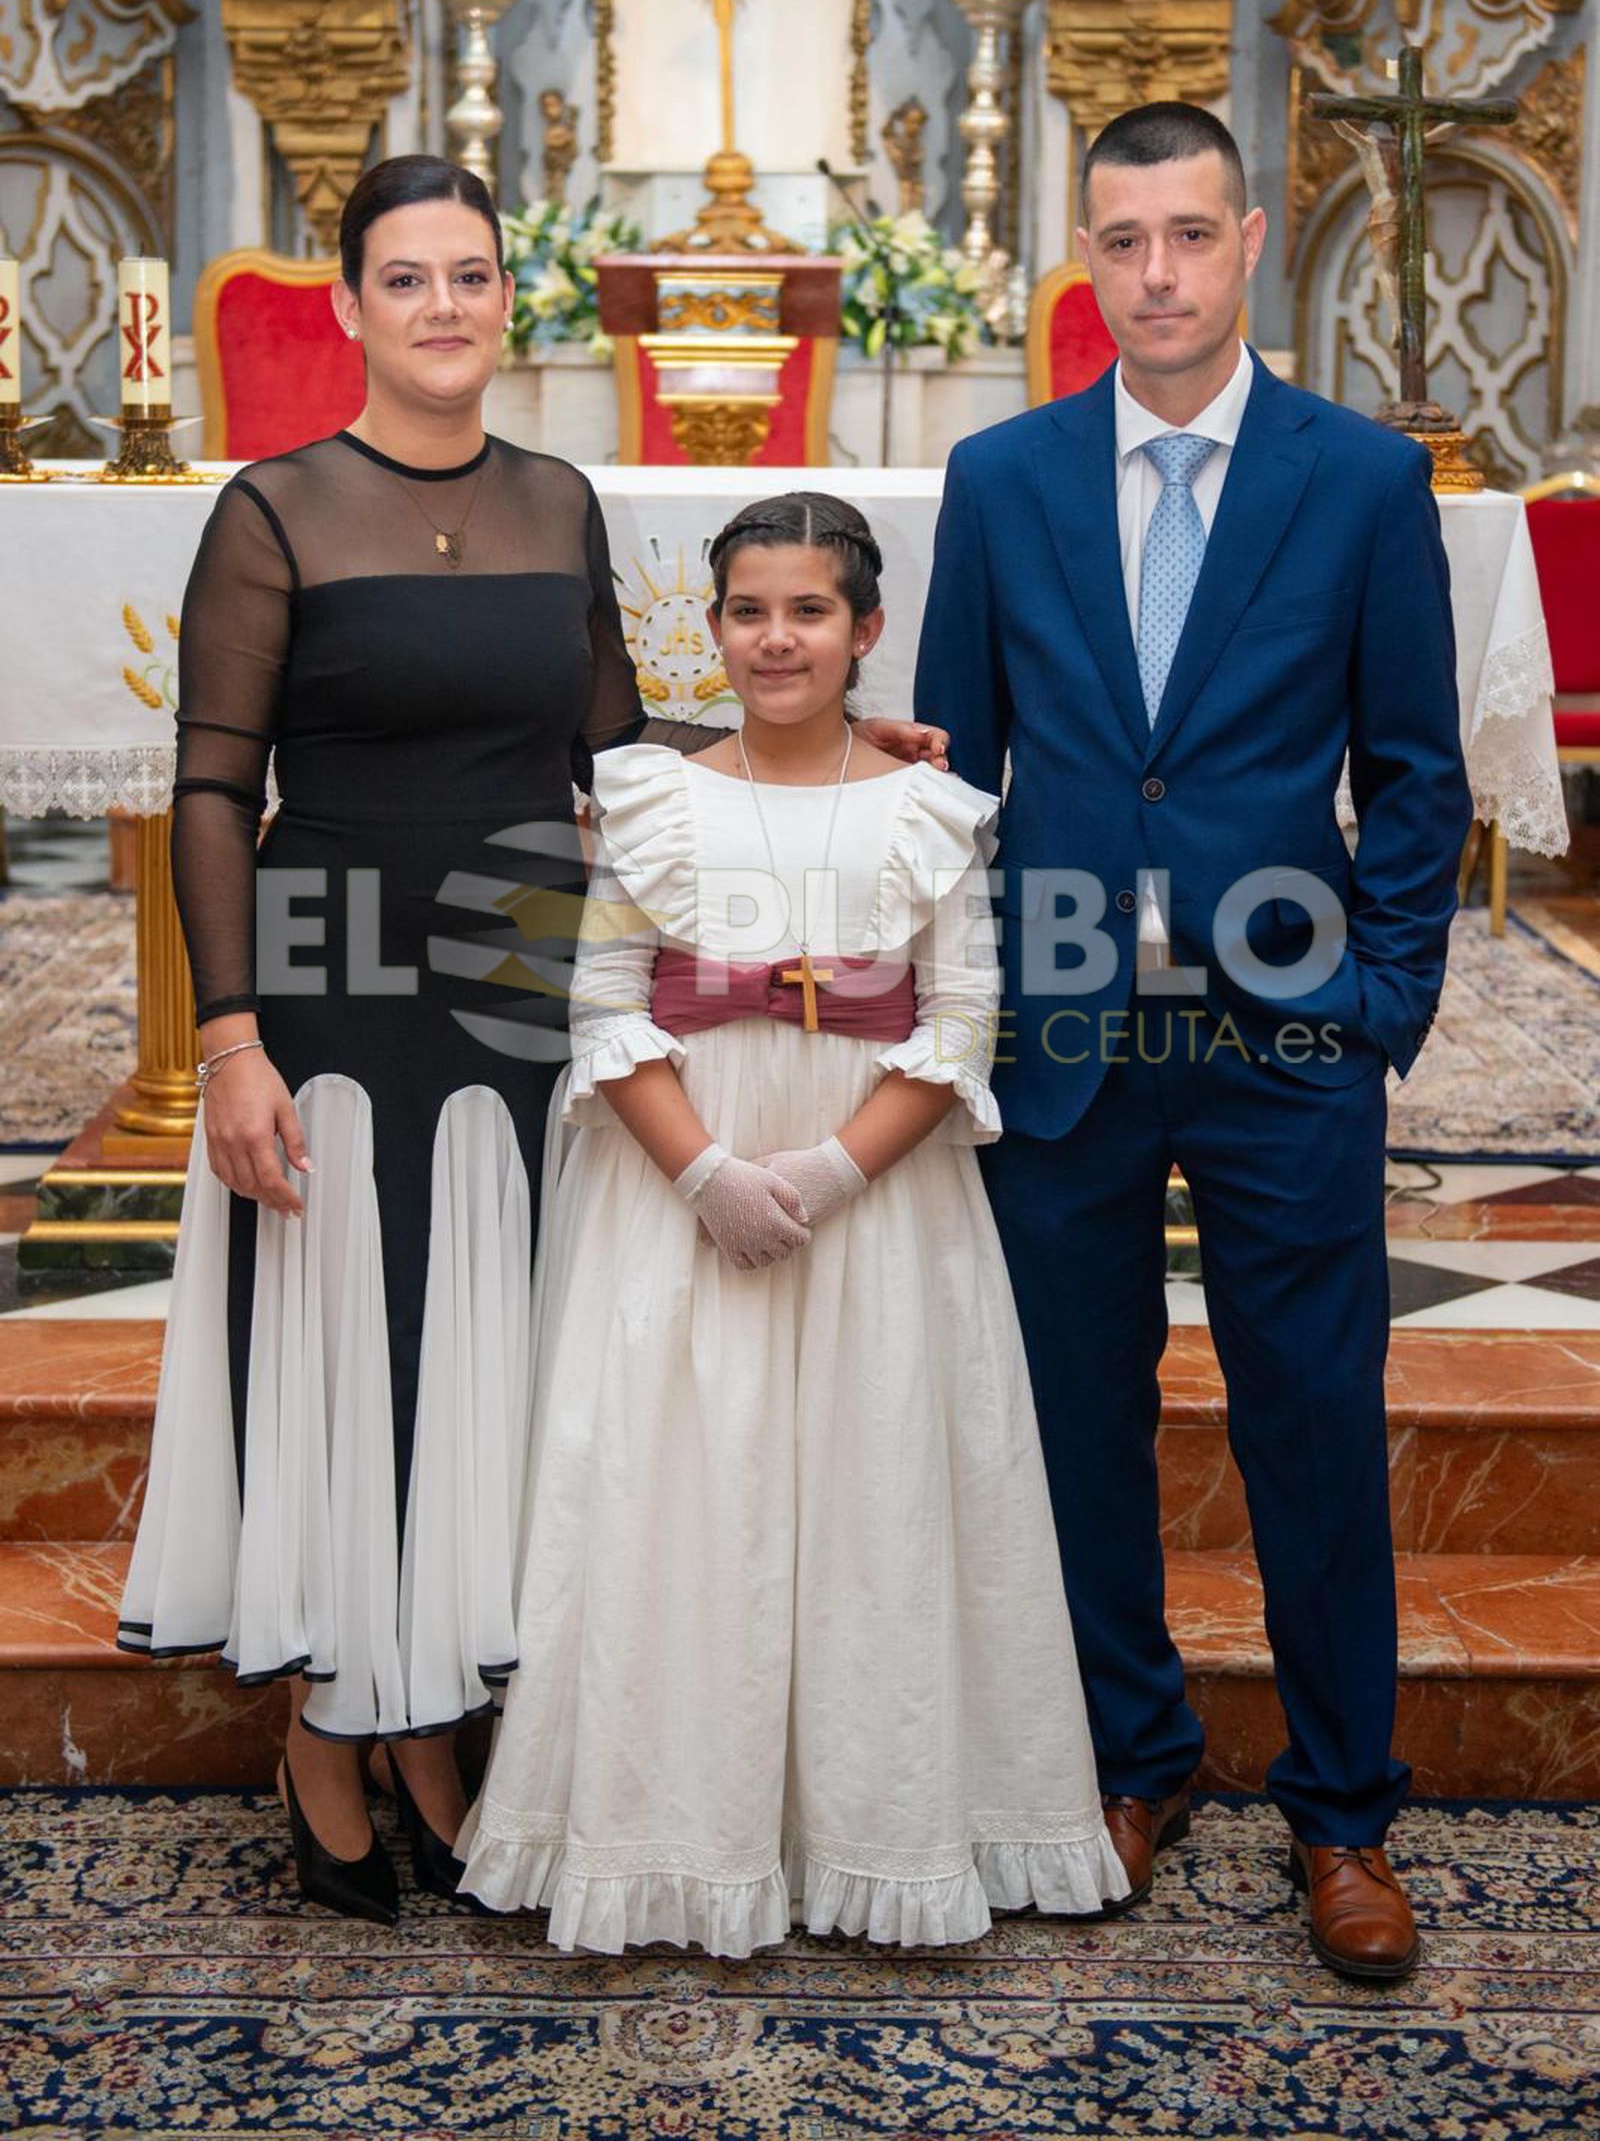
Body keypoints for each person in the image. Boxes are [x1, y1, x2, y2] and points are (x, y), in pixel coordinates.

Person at [117, 157, 946, 1927]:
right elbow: (209, 788)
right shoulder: (274, 513)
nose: (442, 307)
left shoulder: (557, 501)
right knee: (353, 1346)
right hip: (336, 983)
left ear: (508, 300)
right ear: (348, 307)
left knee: (485, 1349)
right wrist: (233, 1041)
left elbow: (628, 763)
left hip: (513, 981)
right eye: (404, 278)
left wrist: (843, 731)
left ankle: (439, 1720)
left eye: (471, 276)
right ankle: (328, 1731)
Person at [914, 103, 1473, 1982]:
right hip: (1064, 1029)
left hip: (1286, 1035)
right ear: (1088, 255)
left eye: (1188, 237)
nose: (1155, 273)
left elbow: (1414, 778)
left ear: (1250, 245)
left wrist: (1378, 1006)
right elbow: (956, 782)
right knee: (1078, 1421)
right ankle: (1128, 1756)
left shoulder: (1363, 481)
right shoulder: (1002, 480)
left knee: (1309, 1418)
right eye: (1123, 239)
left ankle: (1343, 1812)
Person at [455, 492, 1128, 1953]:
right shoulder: (649, 796)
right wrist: (706, 1176)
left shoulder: (929, 812)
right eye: (749, 611)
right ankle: (671, 1832)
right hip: (681, 1199)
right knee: (688, 1491)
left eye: (810, 611)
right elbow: (601, 1003)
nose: (778, 638)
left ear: (865, 631)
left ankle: (878, 1824)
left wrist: (822, 1177)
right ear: (712, 631)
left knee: (874, 1489)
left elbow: (959, 1021)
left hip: (876, 1210)